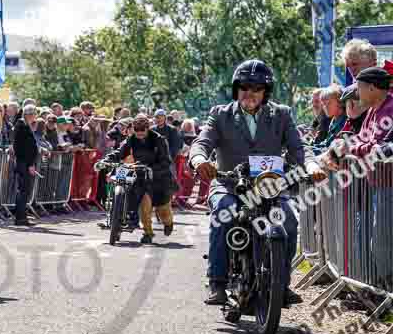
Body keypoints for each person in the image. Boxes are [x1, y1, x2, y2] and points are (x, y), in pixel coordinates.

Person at [189, 59, 326, 306]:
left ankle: (281, 285)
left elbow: (299, 147)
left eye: (257, 88)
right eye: (244, 87)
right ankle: (217, 282)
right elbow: (202, 142)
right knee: (223, 212)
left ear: (266, 92)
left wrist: (312, 165)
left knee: (289, 218)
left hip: (269, 187)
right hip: (230, 184)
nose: (250, 93)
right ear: (236, 89)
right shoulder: (220, 114)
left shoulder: (282, 114)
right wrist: (199, 160)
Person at [102, 115, 175, 243]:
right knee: (144, 205)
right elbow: (120, 152)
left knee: (163, 211)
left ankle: (168, 223)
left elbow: (166, 161)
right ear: (134, 129)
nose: (140, 134)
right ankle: (148, 233)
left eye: (143, 131)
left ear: (148, 128)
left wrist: (152, 168)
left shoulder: (159, 139)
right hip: (141, 176)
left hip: (159, 178)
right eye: (137, 131)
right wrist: (107, 159)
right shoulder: (131, 138)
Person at [12, 104, 40, 226]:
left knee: (25, 190)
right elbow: (24, 148)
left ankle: (22, 216)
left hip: (25, 162)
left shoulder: (25, 125)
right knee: (23, 190)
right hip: (24, 163)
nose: (35, 116)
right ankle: (20, 217)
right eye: (34, 114)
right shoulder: (21, 125)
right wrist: (30, 164)